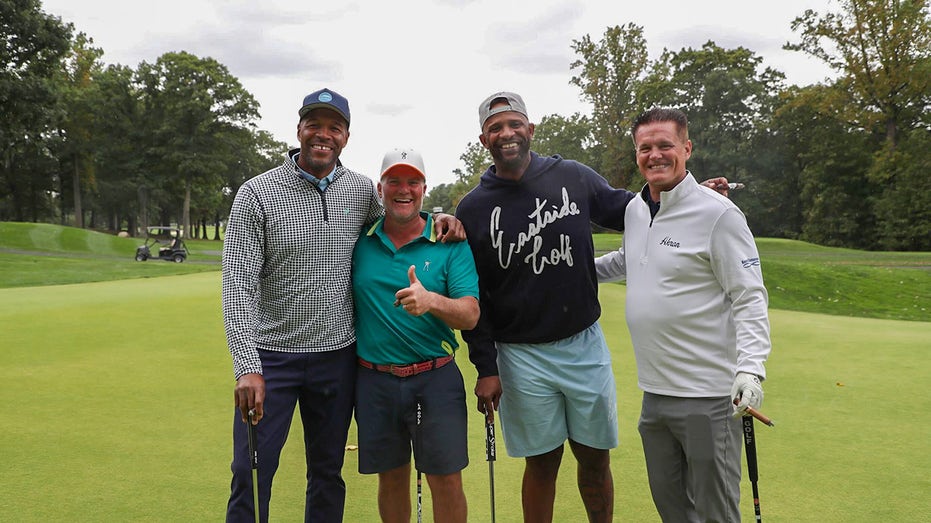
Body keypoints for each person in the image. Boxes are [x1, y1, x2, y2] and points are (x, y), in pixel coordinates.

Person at [222, 88, 464, 523]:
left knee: (327, 472)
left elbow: (401, 214)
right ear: (298, 130)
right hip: (272, 359)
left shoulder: (358, 191)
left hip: (337, 357)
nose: (323, 135)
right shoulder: (257, 193)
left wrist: (442, 219)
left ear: (346, 137)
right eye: (314, 125)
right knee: (251, 469)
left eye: (334, 127)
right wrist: (247, 365)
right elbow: (238, 285)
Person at [594, 107, 772, 522]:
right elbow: (631, 258)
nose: (654, 155)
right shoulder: (636, 210)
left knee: (715, 512)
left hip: (707, 396)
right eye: (645, 147)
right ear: (637, 154)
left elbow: (749, 297)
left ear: (686, 149)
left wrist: (750, 369)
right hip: (654, 395)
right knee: (672, 508)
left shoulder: (719, 214)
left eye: (665, 146)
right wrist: (576, 269)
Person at [351, 147, 480, 523]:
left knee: (446, 482)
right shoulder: (361, 239)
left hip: (434, 379)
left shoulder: (449, 243)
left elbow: (470, 315)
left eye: (412, 182)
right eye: (394, 181)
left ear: (424, 188)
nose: (403, 190)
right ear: (380, 188)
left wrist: (431, 302)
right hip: (374, 380)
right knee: (390, 481)